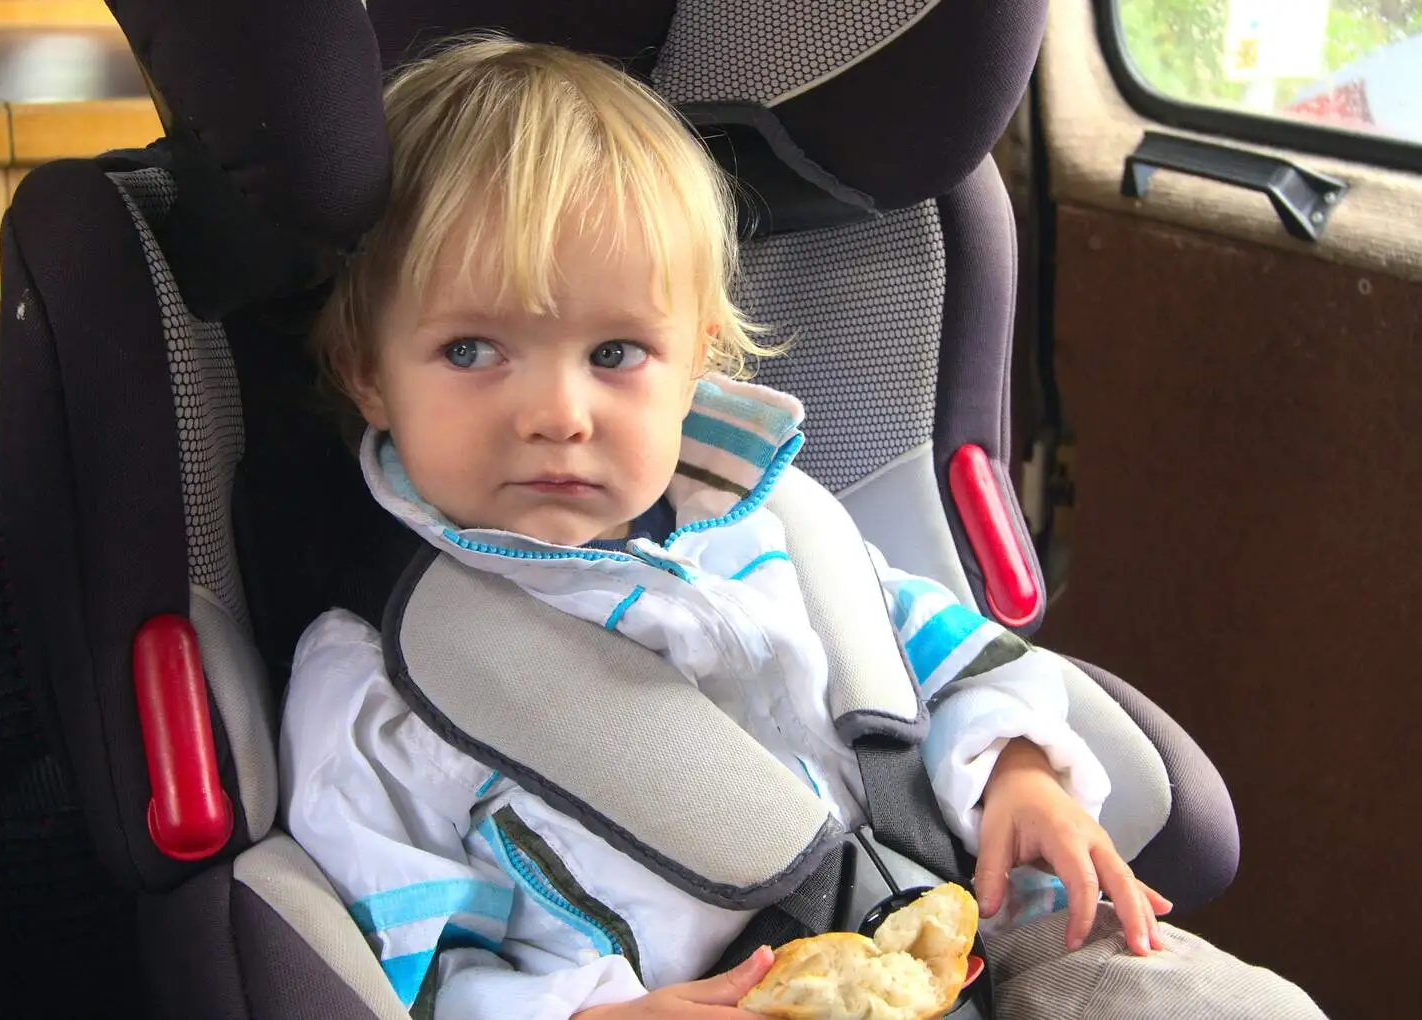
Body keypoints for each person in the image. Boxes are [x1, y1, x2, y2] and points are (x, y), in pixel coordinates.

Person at [281, 35, 1325, 1020]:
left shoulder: (781, 533)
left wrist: (1017, 770)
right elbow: (411, 967)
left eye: (614, 355)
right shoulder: (380, 687)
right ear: (366, 372)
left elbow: (956, 665)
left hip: (965, 914)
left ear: (693, 363)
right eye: (471, 351)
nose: (557, 412)